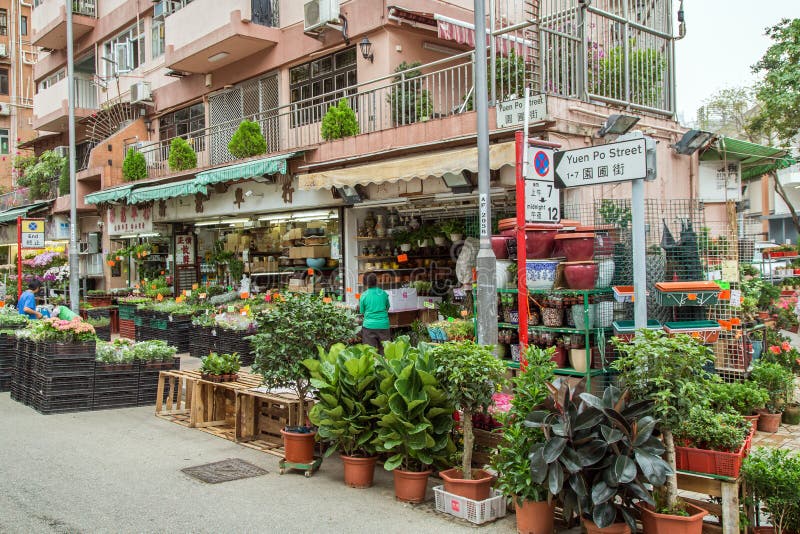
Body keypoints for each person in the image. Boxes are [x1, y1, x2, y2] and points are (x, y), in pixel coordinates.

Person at [359, 272, 390, 353]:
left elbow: (362, 311)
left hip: (369, 327)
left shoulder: (363, 295)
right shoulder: (383, 294)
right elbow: (387, 307)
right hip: (383, 325)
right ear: (377, 282)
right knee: (385, 352)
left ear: (365, 283)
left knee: (370, 353)